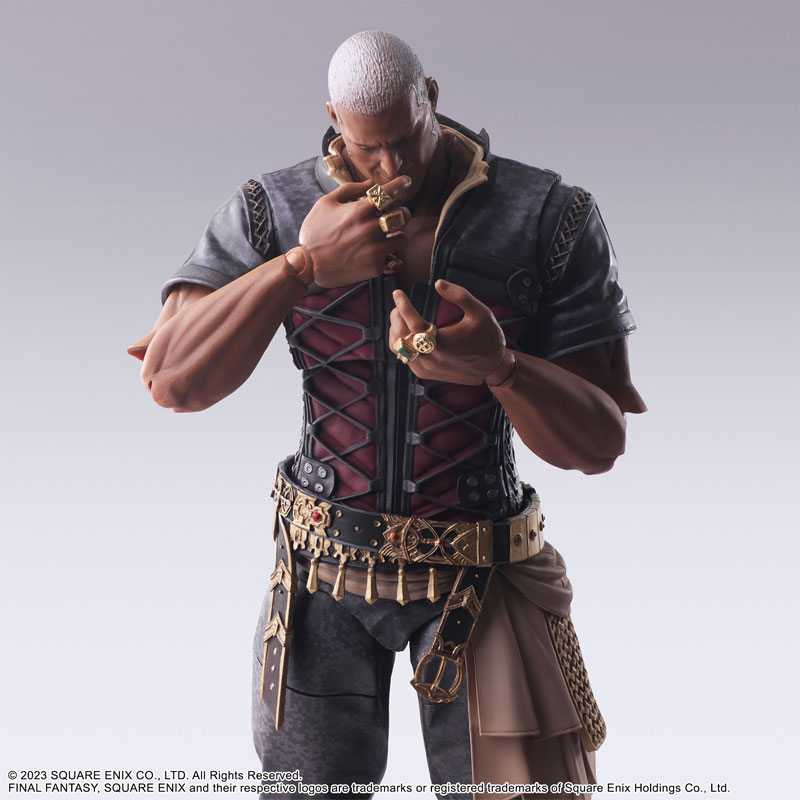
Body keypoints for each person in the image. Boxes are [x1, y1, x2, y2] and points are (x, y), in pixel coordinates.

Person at [129, 30, 646, 800]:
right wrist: (300, 267)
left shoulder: (547, 215)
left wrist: (500, 368)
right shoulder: (272, 210)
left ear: (431, 97)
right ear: (333, 120)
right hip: (321, 573)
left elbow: (599, 442)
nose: (391, 166)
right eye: (368, 147)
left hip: (483, 573)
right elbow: (172, 379)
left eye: (405, 139)